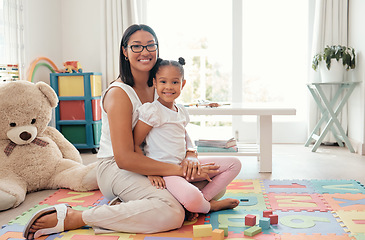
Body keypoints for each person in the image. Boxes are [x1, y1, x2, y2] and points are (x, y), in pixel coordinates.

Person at [22, 24, 240, 239]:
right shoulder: (119, 94)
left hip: (156, 161)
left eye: (150, 46)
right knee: (173, 213)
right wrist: (179, 171)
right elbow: (125, 158)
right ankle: (77, 216)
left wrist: (191, 154)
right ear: (125, 52)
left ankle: (156, 203)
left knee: (213, 183)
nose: (144, 52)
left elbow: (176, 123)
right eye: (136, 46)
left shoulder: (159, 84)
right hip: (118, 168)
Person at [133, 57, 241, 214]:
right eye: (163, 82)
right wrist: (149, 172)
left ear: (182, 84)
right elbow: (135, 144)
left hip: (185, 167)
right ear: (154, 83)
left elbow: (184, 134)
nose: (169, 87)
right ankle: (209, 206)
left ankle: (203, 199)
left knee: (234, 164)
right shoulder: (152, 111)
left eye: (175, 82)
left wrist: (191, 154)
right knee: (191, 197)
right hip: (167, 172)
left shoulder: (181, 110)